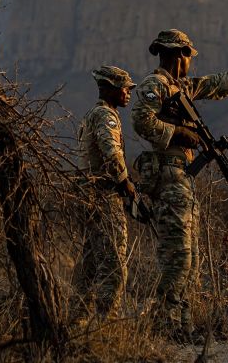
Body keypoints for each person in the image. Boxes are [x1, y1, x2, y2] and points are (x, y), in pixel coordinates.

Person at [131, 29, 228, 341]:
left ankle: (184, 327)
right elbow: (140, 120)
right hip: (166, 174)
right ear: (178, 55)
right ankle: (166, 327)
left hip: (181, 176)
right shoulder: (155, 85)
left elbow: (217, 84)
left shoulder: (181, 87)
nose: (190, 61)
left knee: (192, 259)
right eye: (188, 55)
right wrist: (178, 134)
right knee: (177, 258)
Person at [72, 65, 137, 324]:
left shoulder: (93, 114)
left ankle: (77, 318)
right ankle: (106, 323)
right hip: (102, 194)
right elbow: (111, 152)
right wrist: (125, 182)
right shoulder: (105, 116)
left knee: (89, 259)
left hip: (87, 193)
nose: (128, 93)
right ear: (108, 89)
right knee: (113, 263)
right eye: (124, 88)